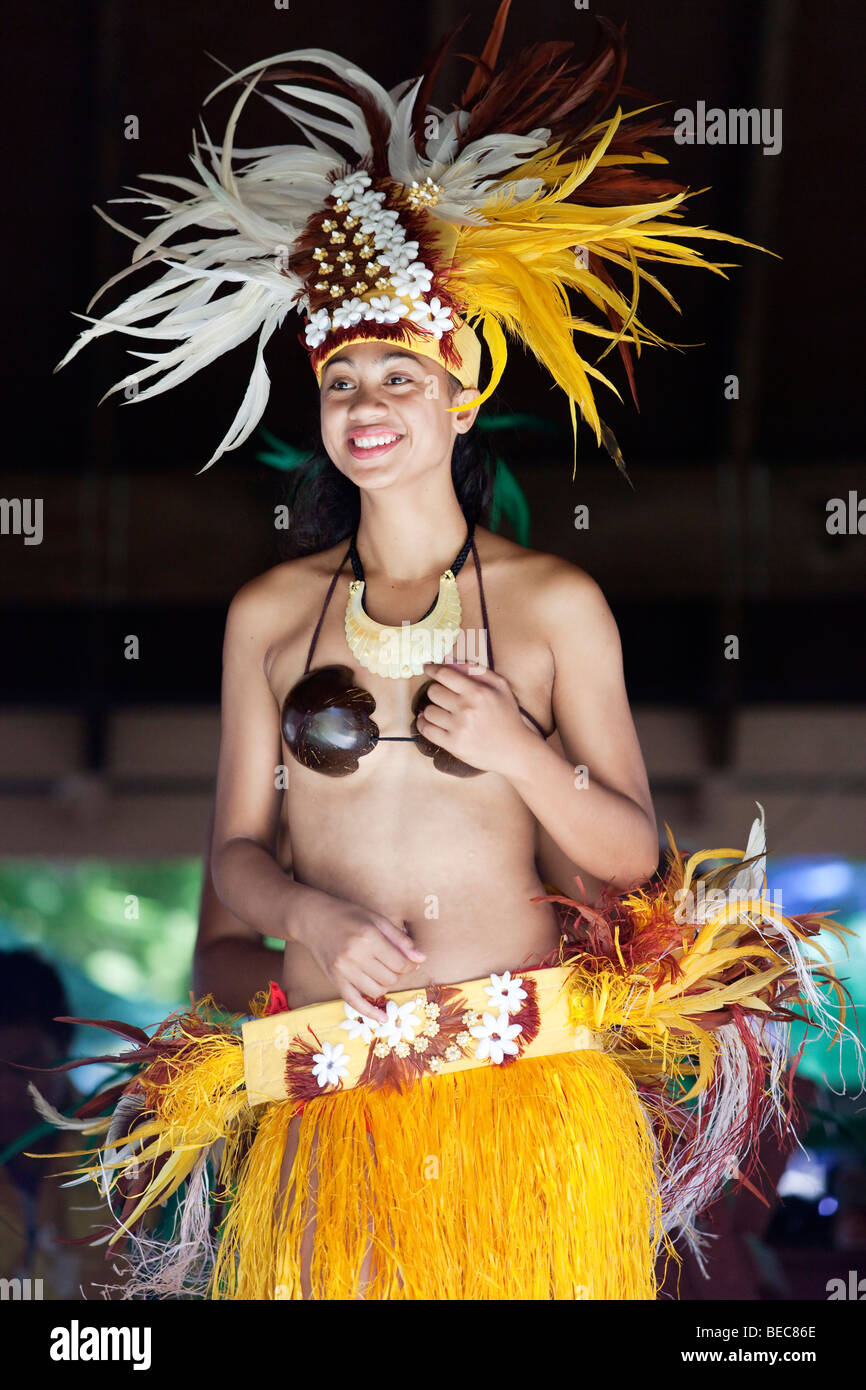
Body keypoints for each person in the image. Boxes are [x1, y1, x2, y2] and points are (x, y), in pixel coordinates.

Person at [39, 8, 859, 1301]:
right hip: (327, 1118)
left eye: (396, 376)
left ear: (460, 388)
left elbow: (631, 855)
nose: (366, 407)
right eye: (342, 381)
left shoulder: (550, 605)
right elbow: (225, 899)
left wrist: (516, 750)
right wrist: (303, 913)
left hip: (525, 1100)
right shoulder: (269, 615)